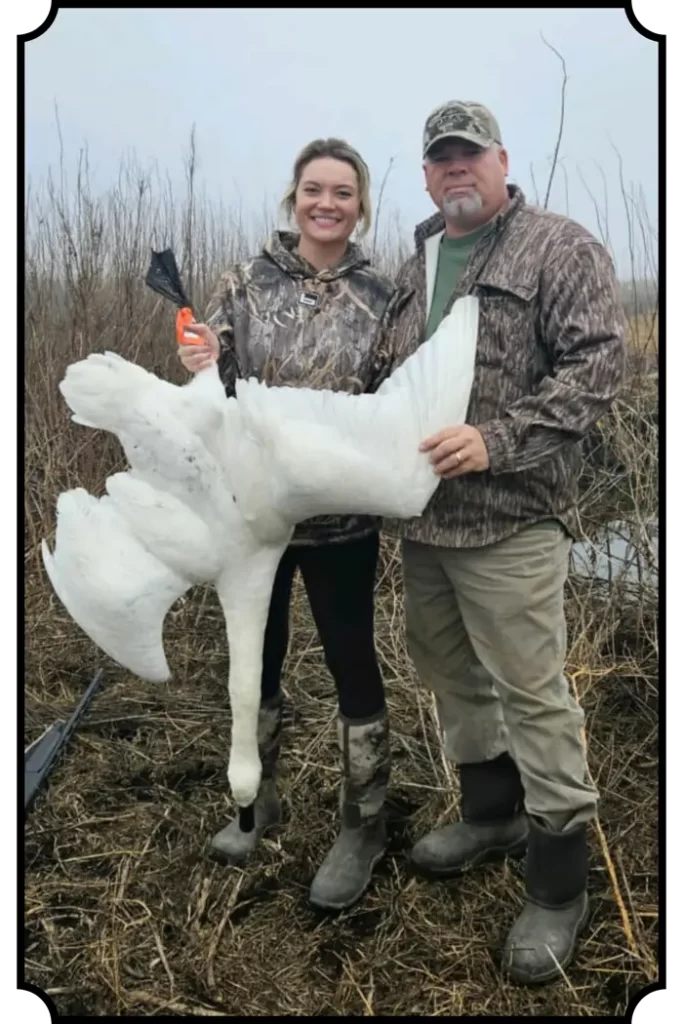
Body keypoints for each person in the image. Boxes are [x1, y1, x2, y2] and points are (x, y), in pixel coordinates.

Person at [385, 101, 626, 984]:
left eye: (469, 154)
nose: (456, 169)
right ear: (425, 175)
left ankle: (561, 884)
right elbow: (379, 380)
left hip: (511, 521)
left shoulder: (557, 246)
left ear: (499, 160)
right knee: (451, 677)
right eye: (440, 158)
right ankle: (491, 815)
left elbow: (599, 363)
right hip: (422, 524)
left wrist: (499, 438)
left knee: (534, 696)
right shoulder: (412, 263)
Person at [177, 138, 405, 912]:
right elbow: (217, 378)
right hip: (257, 519)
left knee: (351, 660)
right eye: (314, 189)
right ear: (293, 197)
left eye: (343, 192)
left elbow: (392, 397)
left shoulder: (384, 293)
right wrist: (198, 358)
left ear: (360, 204)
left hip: (342, 522)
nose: (326, 204)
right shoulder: (243, 280)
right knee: (257, 658)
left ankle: (362, 824)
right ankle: (255, 801)